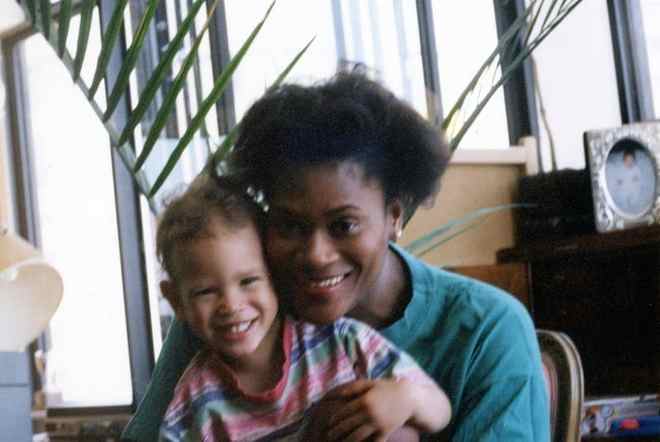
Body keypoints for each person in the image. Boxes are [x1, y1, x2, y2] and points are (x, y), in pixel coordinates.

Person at [122, 72, 549, 441]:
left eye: (344, 225)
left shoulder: (485, 330)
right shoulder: (234, 312)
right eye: (290, 225)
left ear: (394, 215)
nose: (316, 255)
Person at [155, 176, 451, 441]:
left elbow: (439, 409)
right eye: (206, 292)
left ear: (274, 274)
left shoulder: (342, 342)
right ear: (176, 301)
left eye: (248, 281)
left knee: (399, 433)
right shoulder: (194, 403)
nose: (231, 305)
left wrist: (406, 398)